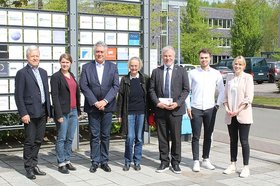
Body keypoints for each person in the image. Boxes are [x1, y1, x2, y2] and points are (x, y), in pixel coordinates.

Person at [80, 41, 119, 173]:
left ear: (106, 53)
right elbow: (84, 86)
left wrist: (105, 101)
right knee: (94, 135)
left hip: (107, 106)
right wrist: (95, 102)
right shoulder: (86, 67)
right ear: (94, 52)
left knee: (105, 135)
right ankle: (95, 161)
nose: (99, 54)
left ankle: (104, 161)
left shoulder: (113, 67)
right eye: (97, 51)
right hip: (93, 107)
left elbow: (115, 86)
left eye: (102, 52)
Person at [149, 46, 189, 174]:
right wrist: (158, 103)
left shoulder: (181, 71)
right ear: (162, 57)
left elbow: (186, 89)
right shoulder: (156, 72)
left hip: (175, 110)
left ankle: (176, 162)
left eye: (170, 56)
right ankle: (164, 162)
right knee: (162, 137)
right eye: (165, 56)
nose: (168, 58)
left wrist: (177, 103)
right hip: (161, 110)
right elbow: (151, 90)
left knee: (176, 138)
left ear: (174, 57)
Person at [14, 45, 51, 179]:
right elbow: (18, 95)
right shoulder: (22, 73)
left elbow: (46, 93)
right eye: (32, 56)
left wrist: (48, 111)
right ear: (27, 58)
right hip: (29, 113)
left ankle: (34, 165)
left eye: (37, 56)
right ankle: (28, 167)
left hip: (42, 112)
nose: (35, 58)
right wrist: (23, 113)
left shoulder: (43, 72)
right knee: (30, 140)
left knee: (39, 140)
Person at [186, 48, 224, 172]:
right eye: (202, 57)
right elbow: (186, 91)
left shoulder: (215, 73)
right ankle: (196, 161)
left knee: (208, 135)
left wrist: (217, 105)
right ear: (199, 58)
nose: (204, 60)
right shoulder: (192, 73)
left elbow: (222, 90)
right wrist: (188, 106)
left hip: (210, 108)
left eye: (206, 57)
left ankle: (206, 159)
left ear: (210, 58)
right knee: (195, 136)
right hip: (195, 108)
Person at [117, 57, 150, 171]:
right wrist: (119, 115)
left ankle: (137, 161)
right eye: (132, 66)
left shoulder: (145, 79)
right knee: (130, 138)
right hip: (129, 113)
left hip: (141, 113)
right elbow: (120, 97)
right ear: (129, 67)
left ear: (139, 66)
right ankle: (127, 161)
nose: (134, 68)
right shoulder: (125, 80)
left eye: (136, 66)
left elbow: (149, 97)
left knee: (139, 138)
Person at [223, 56, 254, 178]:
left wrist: (237, 110)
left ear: (244, 66)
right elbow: (225, 96)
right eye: (236, 64)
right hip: (230, 114)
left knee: (244, 141)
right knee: (232, 140)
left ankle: (246, 167)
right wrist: (227, 109)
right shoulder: (230, 77)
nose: (237, 66)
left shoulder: (248, 78)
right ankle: (232, 164)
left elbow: (248, 98)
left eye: (240, 64)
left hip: (243, 114)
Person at [50, 53, 81, 174]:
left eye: (67, 62)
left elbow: (76, 94)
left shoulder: (72, 75)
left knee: (70, 138)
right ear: (60, 63)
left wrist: (78, 110)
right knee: (61, 138)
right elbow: (55, 96)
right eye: (63, 62)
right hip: (63, 112)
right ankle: (61, 162)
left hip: (73, 111)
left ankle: (67, 160)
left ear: (71, 63)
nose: (65, 64)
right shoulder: (56, 77)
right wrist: (58, 115)